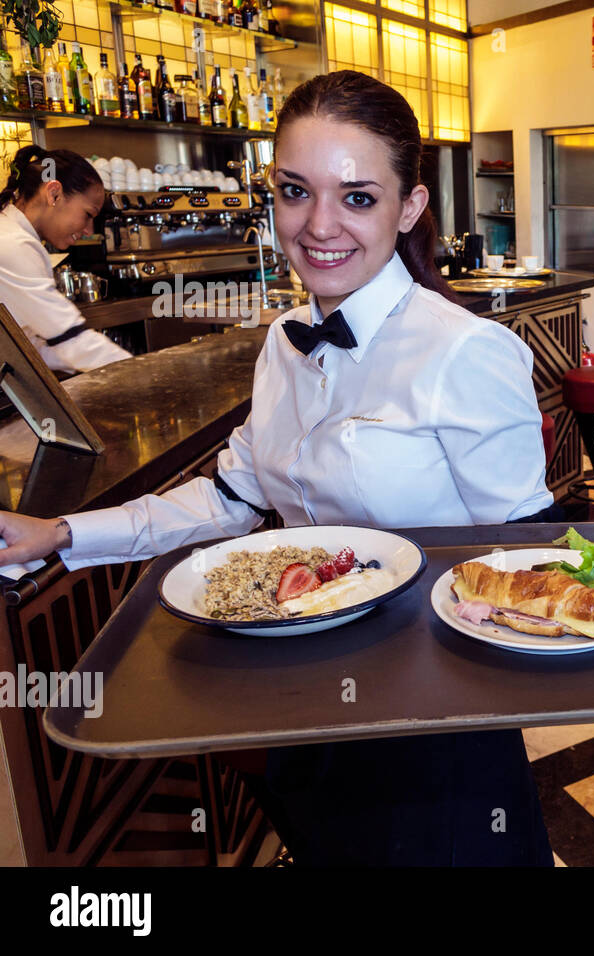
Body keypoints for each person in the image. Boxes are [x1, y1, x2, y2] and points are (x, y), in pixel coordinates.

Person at [0, 71, 559, 865]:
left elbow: (522, 556)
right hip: (301, 698)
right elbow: (232, 496)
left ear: (409, 207)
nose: (319, 224)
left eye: (357, 197)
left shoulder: (466, 352)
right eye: (296, 191)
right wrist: (58, 533)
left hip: (430, 727)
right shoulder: (283, 340)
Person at [0, 146, 132, 373]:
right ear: (54, 194)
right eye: (88, 215)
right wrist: (145, 374)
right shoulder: (13, 244)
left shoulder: (15, 237)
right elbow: (71, 340)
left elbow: (31, 347)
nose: (88, 230)